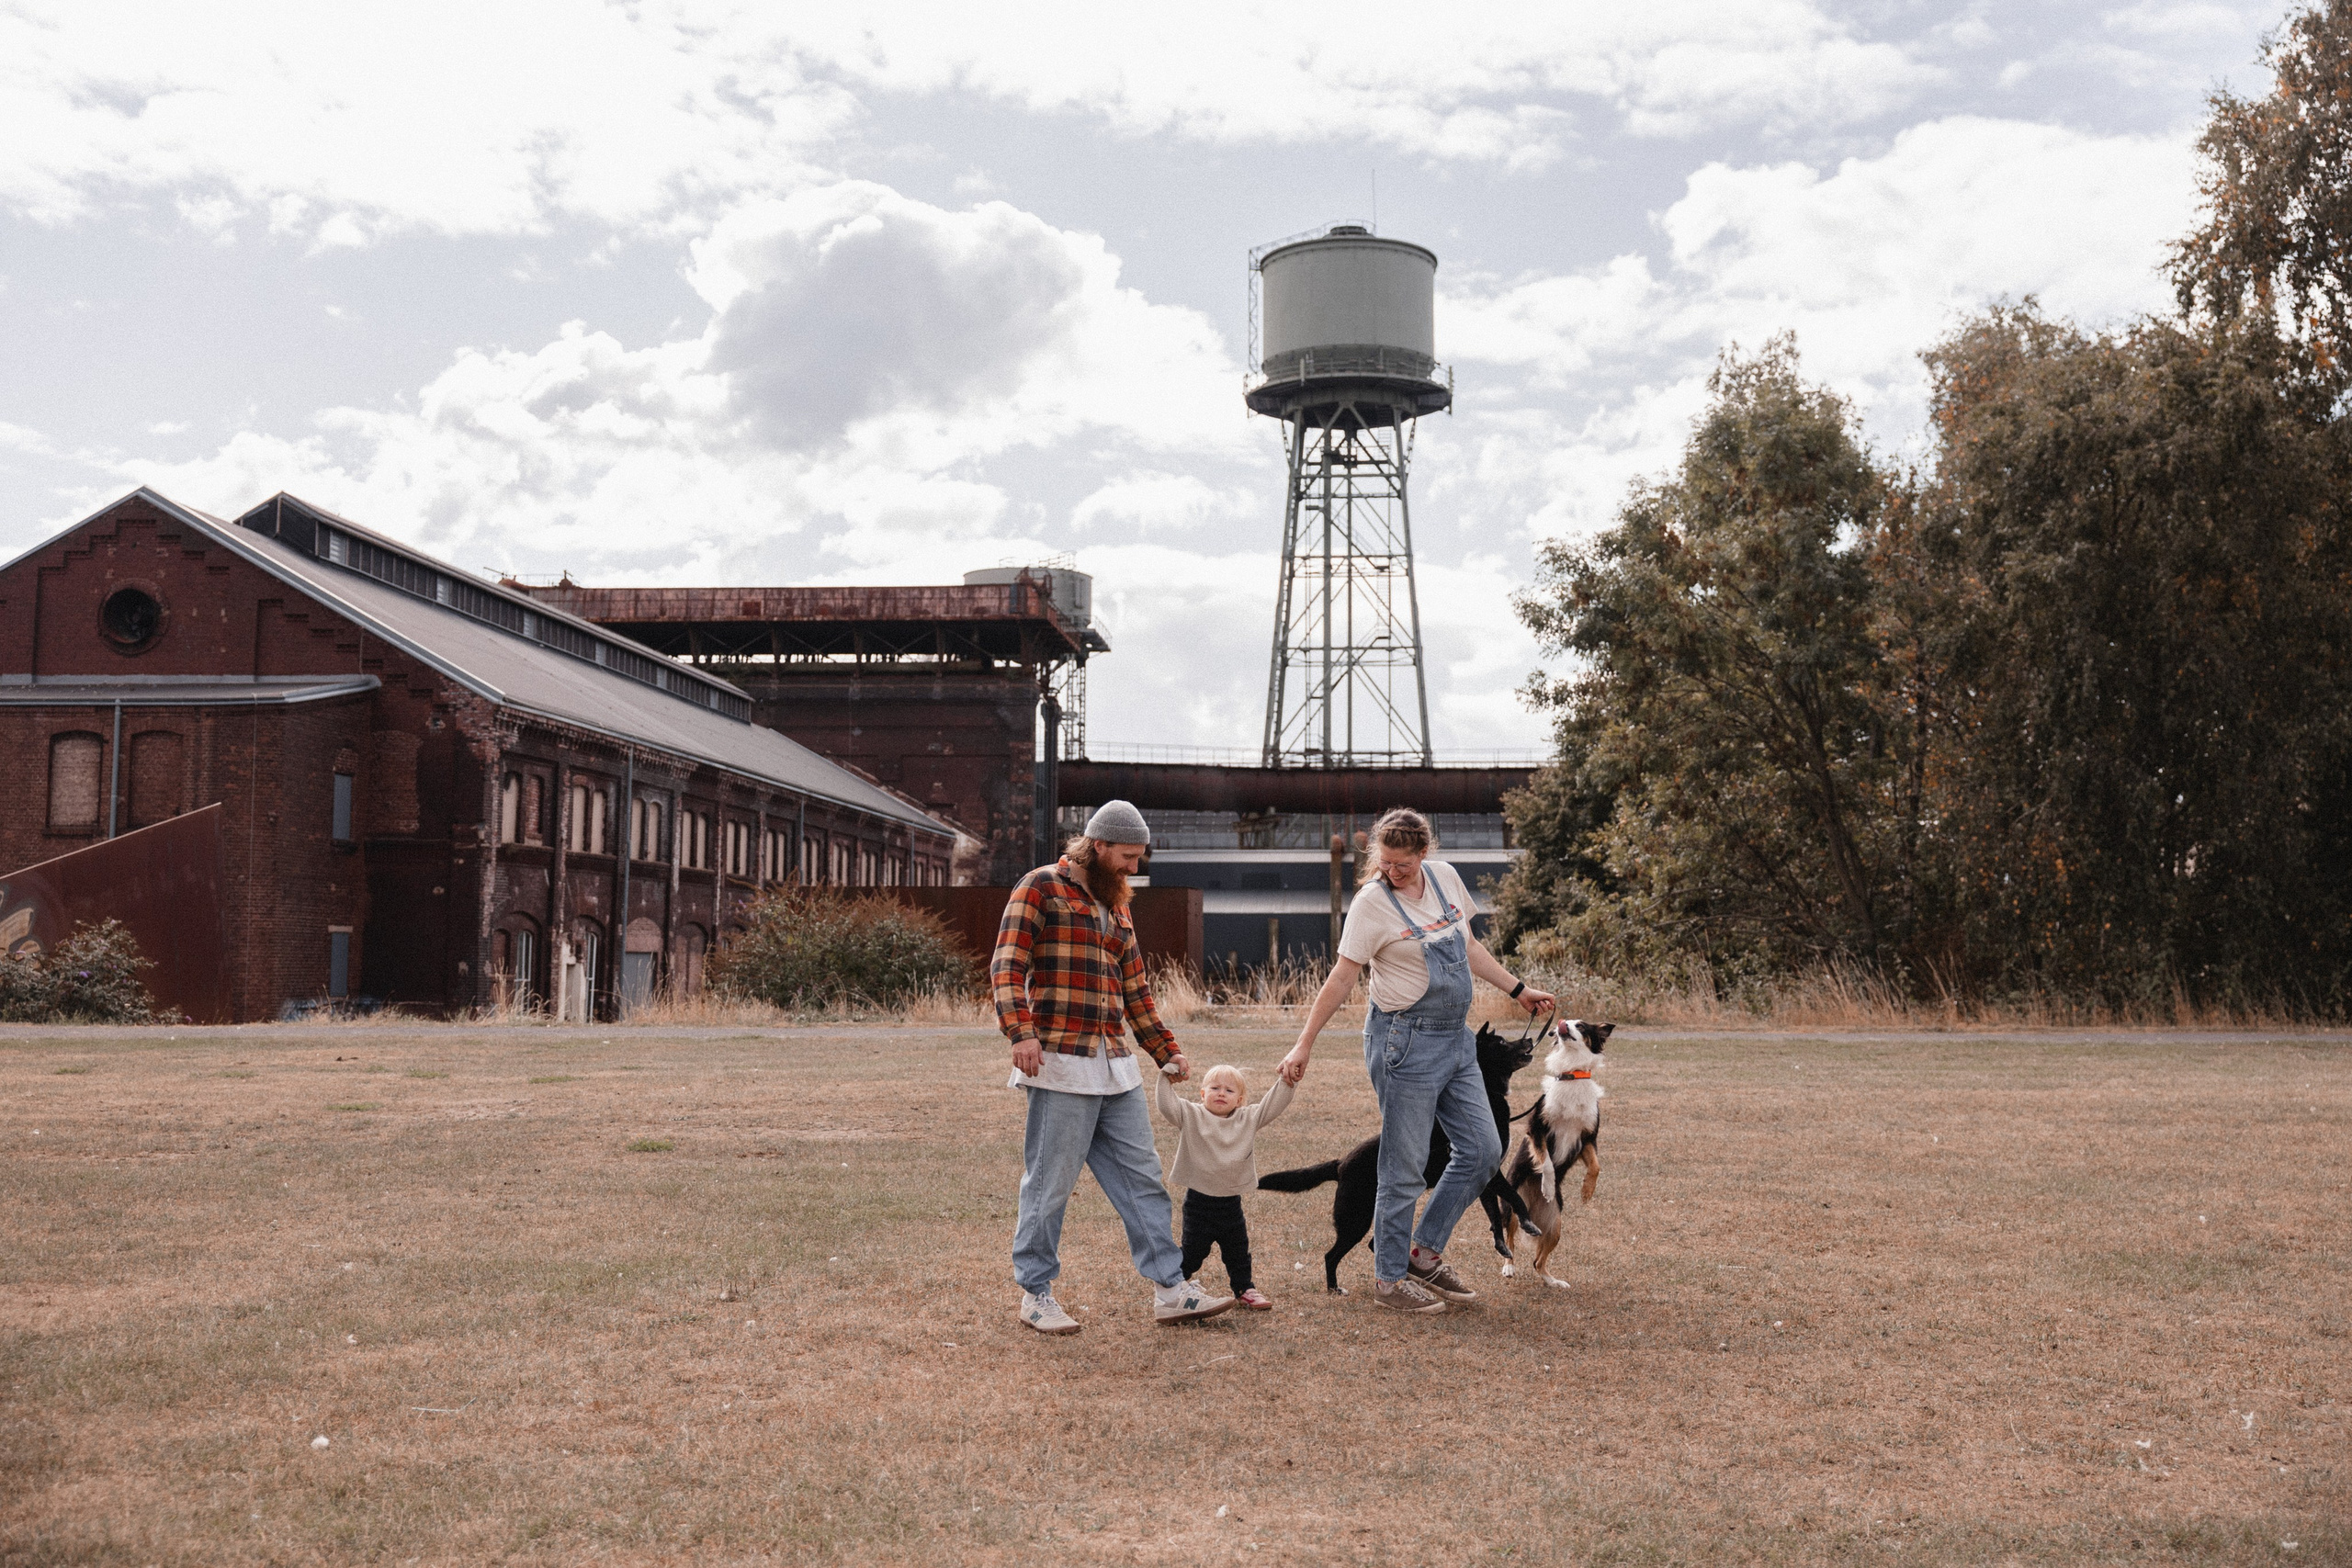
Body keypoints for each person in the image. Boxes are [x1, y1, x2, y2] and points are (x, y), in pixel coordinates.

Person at [1279, 807, 1555, 1315]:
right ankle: (1388, 1280)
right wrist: (1304, 1042)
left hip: (1456, 1039)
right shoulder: (1370, 903)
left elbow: (1467, 945)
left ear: (1424, 853)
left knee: (1481, 1149)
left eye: (1401, 864)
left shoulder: (1446, 879)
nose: (1391, 872)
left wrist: (1518, 989)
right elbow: (1342, 978)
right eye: (1384, 862)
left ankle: (1422, 1252)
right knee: (1404, 1167)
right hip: (1403, 1043)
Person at [996, 799, 1234, 1335]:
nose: (1135, 867)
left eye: (1139, 857)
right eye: (1127, 856)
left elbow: (1135, 989)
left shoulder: (1119, 904)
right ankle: (1036, 1295)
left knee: (1143, 1179)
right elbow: (1006, 965)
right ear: (1098, 846)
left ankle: (1171, 1290)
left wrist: (1165, 1049)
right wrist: (1021, 1033)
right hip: (1058, 1061)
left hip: (1115, 1067)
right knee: (1050, 1185)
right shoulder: (1039, 886)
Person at [1153, 1060, 1295, 1310]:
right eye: (1215, 1088)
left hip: (1231, 1203)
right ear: (1202, 1093)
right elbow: (1166, 1105)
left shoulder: (1247, 1118)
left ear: (1239, 1100)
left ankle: (1245, 1289)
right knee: (1192, 1254)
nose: (1221, 1093)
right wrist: (1165, 1077)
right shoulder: (1190, 1114)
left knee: (1239, 1252)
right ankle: (1174, 1286)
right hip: (1199, 1203)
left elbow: (1272, 1106)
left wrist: (1286, 1081)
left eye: (1229, 1091)